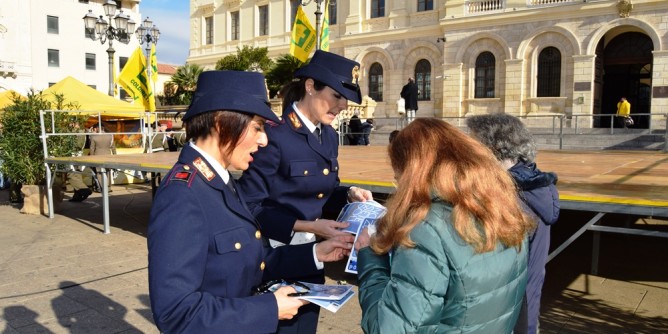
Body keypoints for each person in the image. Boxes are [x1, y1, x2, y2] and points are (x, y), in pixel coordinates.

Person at [147, 70, 354, 334]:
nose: (264, 139)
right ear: (222, 123)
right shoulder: (182, 196)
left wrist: (315, 254)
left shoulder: (219, 180)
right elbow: (176, 313)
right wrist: (269, 309)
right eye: (257, 127)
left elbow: (255, 261)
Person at [237, 50, 374, 334]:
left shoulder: (328, 136)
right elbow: (248, 206)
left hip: (313, 256)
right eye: (336, 96)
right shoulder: (274, 135)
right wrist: (307, 225)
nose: (343, 105)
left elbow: (320, 192)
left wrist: (349, 194)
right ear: (311, 86)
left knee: (305, 328)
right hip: (275, 258)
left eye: (345, 98)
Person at [355, 118, 535, 333]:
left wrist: (371, 256)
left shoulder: (427, 230)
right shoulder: (503, 208)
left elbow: (389, 329)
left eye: (399, 178)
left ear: (413, 172)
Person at [466, 114, 560, 334]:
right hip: (524, 310)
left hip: (507, 317)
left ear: (493, 149)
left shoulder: (509, 199)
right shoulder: (532, 186)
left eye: (472, 145)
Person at [88, 123, 116, 192]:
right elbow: (113, 147)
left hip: (98, 156)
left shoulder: (94, 137)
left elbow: (92, 148)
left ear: (97, 128)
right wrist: (115, 155)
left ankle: (103, 187)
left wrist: (91, 157)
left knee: (100, 172)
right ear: (103, 128)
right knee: (108, 171)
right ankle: (109, 188)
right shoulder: (110, 136)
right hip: (108, 155)